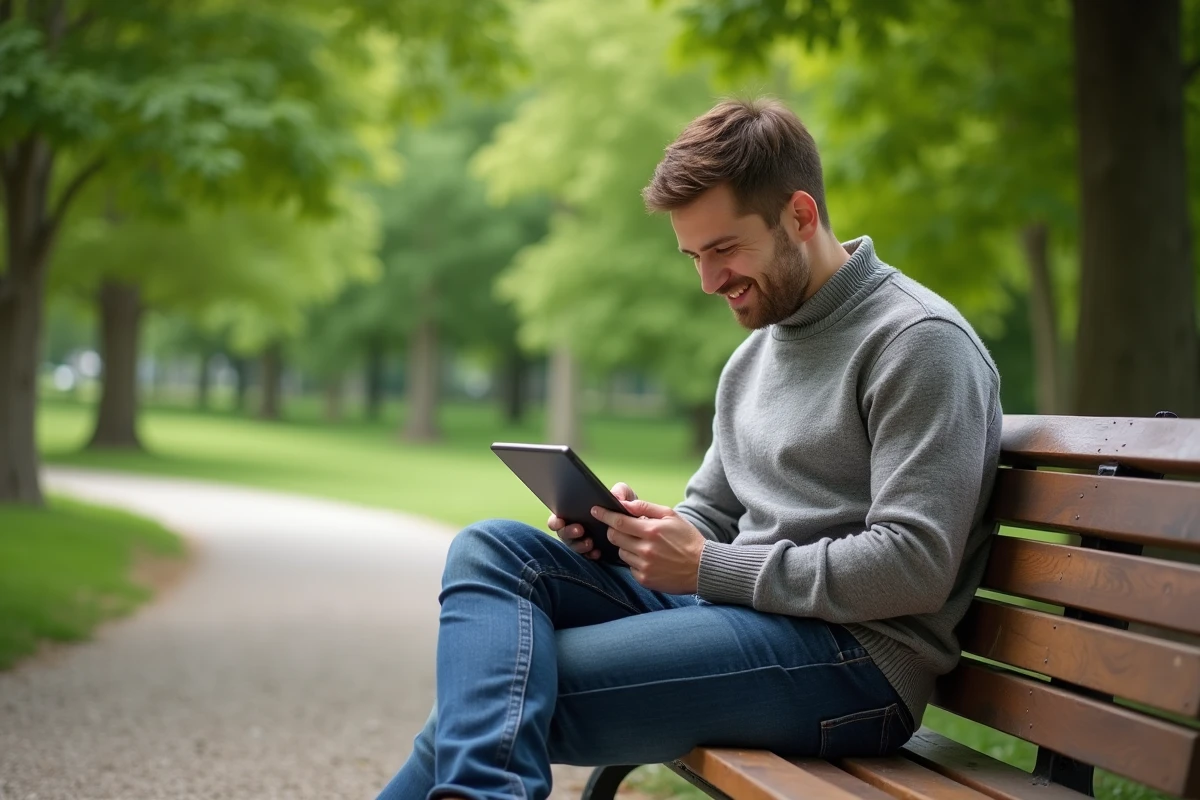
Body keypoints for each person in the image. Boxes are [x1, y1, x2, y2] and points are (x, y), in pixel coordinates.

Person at [376, 97, 1002, 800]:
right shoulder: (756, 355)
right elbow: (711, 513)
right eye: (693, 256)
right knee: (492, 552)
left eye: (724, 249)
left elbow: (912, 566)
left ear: (799, 215)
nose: (708, 281)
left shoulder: (918, 343)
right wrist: (632, 535)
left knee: (501, 689)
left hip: (855, 662)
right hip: (742, 620)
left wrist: (708, 566)